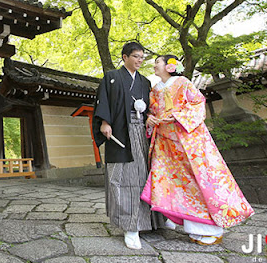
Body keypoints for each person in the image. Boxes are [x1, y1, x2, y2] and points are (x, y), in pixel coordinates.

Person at [141, 55, 254, 245]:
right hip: (167, 143)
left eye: (157, 62)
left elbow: (197, 104)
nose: (154, 66)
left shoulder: (183, 83)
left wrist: (176, 115)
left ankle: (211, 227)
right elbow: (152, 112)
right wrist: (149, 119)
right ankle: (194, 227)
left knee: (200, 179)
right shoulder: (154, 91)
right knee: (176, 182)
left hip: (189, 138)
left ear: (170, 66)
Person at [92, 41, 163, 250]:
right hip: (120, 132)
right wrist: (105, 122)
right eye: (136, 56)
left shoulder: (144, 82)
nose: (140, 60)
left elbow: (151, 108)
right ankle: (130, 226)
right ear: (125, 57)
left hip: (141, 133)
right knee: (120, 178)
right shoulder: (111, 78)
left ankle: (147, 221)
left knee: (143, 176)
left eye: (142, 57)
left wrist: (150, 117)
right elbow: (103, 101)